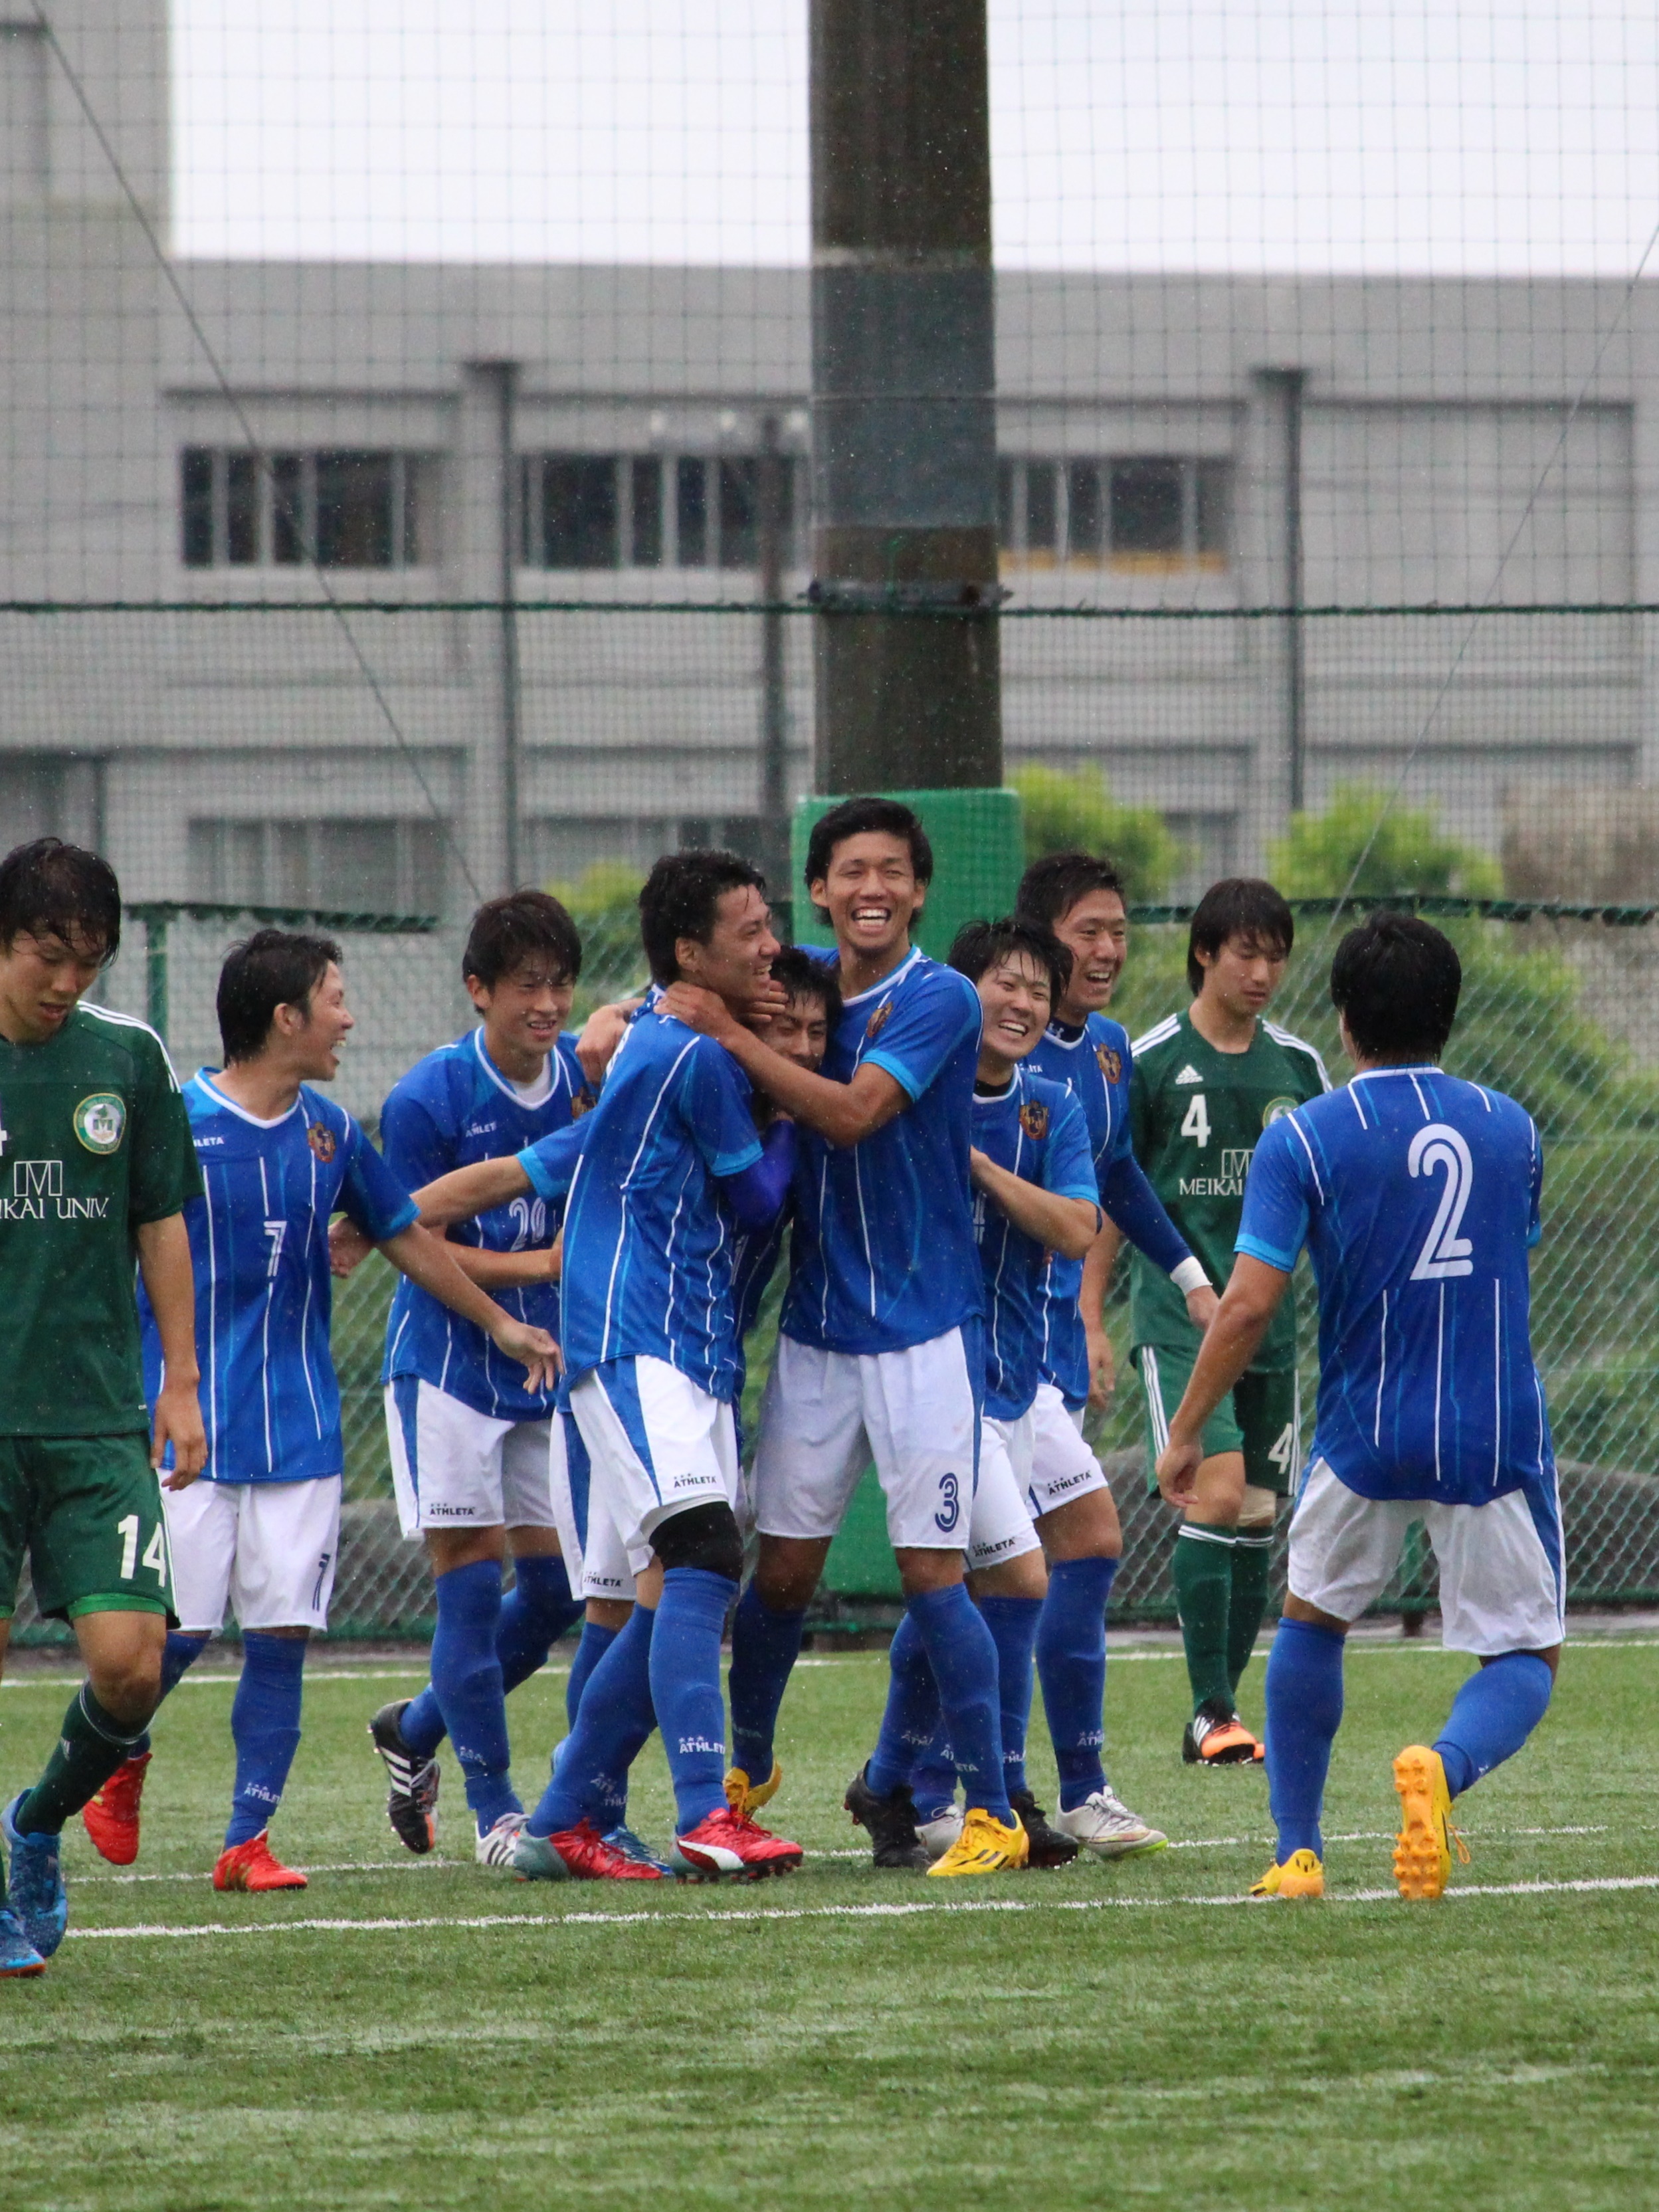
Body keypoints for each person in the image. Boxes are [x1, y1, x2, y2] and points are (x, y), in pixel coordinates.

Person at [76, 931, 557, 1890]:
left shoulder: (332, 1130)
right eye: (335, 998)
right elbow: (103, 1258)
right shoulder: (172, 1121)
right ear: (284, 1017)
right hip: (188, 1429)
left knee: (283, 1633)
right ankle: (115, 1748)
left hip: (303, 1429)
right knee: (169, 1637)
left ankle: (246, 1840)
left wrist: (501, 1322)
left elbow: (406, 1234)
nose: (349, 1017)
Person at [1155, 914, 1561, 1900]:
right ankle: (1443, 1766)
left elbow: (1248, 1301)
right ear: (1449, 1017)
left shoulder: (1302, 1134)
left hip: (1363, 1429)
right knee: (1524, 1653)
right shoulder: (1511, 1125)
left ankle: (1297, 1851)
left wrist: (1183, 1427)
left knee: (1312, 1621)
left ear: (1341, 1021)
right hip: (1490, 1426)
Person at [672, 797, 1027, 1878]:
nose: (871, 887)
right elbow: (694, 984)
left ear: (921, 892)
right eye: (848, 870)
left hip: (925, 1331)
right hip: (819, 1331)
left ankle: (994, 1811)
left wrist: (729, 1032)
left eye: (892, 872)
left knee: (935, 1574)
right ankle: (746, 1771)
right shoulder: (792, 976)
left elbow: (852, 1112)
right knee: (775, 1573)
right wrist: (630, 1013)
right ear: (818, 889)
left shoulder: (940, 1000)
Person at [512, 850, 802, 1882]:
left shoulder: (675, 1032)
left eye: (773, 926)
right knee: (704, 1552)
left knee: (678, 1585)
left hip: (689, 1343)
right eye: (750, 929)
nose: (769, 945)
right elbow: (760, 1202)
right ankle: (701, 1808)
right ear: (690, 952)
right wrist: (805, 1116)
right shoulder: (690, 1051)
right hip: (637, 1334)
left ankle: (556, 1821)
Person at [847, 920, 1100, 1870]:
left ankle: (891, 1783)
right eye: (1005, 983)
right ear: (961, 994)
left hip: (1016, 1384)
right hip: (930, 1378)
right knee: (1020, 1579)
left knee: (955, 1590)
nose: (1024, 1003)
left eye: (1040, 989)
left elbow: (1077, 1227)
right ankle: (1004, 1789)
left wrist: (988, 1174)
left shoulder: (1051, 1108)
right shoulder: (919, 1091)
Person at [0, 839, 205, 1976]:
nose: (67, 979)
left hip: (93, 1419)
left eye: (89, 958)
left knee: (131, 1663)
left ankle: (34, 1823)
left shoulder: (127, 1058)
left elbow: (159, 1218)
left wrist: (179, 1381)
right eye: (46, 953)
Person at [362, 892, 593, 1866]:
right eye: (524, 987)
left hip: (537, 1365)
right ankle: (495, 1810)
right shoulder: (428, 1097)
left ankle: (416, 1727)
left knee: (556, 1591)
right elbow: (413, 1240)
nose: (545, 1004)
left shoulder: (582, 1072)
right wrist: (529, 1284)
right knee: (467, 1588)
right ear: (477, 990)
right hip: (450, 1365)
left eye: (557, 985)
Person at [1003, 849, 1218, 1859]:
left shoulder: (1107, 1050)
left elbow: (1119, 1174)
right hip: (981, 1347)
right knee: (1061, 1549)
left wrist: (1187, 1279)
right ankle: (1050, 1784)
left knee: (1007, 1566)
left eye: (1119, 931)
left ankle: (910, 1777)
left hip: (1044, 1344)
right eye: (1088, 929)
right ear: (1041, 935)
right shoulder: (989, 1039)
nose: (1106, 948)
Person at [1116, 878, 1327, 1763]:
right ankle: (1210, 1710)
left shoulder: (1299, 1067)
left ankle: (1223, 1709)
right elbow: (1111, 1191)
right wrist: (1094, 1316)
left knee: (1258, 1513)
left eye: (1276, 954)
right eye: (1245, 951)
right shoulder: (1150, 1060)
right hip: (1180, 1315)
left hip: (1269, 1324)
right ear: (1203, 952)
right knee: (1219, 1488)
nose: (1263, 970)